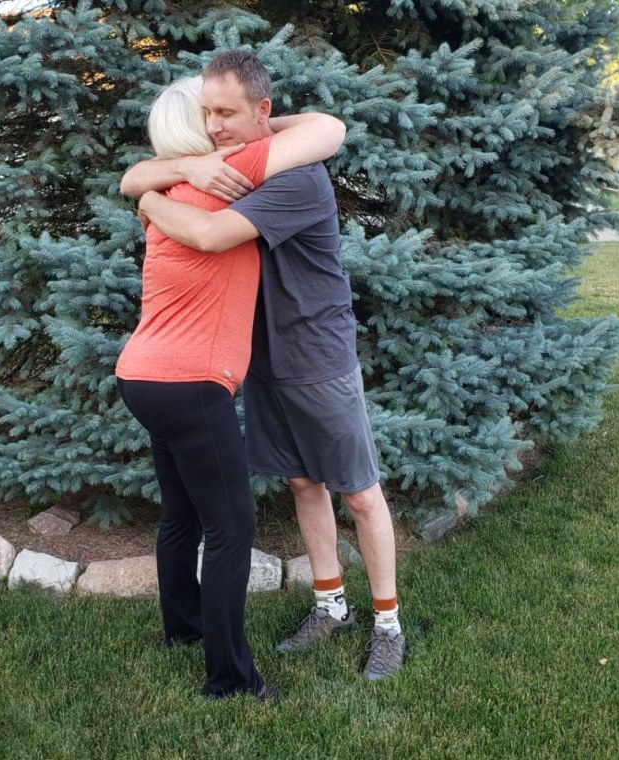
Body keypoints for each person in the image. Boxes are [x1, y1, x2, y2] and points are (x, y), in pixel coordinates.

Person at [122, 50, 406, 681]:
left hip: (316, 355)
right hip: (260, 359)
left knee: (359, 491)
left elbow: (211, 236)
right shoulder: (227, 169)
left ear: (264, 112)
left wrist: (148, 202)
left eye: (229, 112)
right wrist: (165, 174)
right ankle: (331, 606)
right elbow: (141, 173)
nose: (217, 125)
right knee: (303, 485)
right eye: (208, 113)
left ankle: (387, 624)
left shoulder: (294, 179)